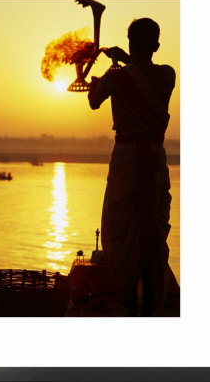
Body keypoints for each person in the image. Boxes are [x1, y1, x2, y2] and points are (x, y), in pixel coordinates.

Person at [88, 18, 177, 316]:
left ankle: (124, 305)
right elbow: (142, 73)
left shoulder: (116, 77)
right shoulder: (167, 75)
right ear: (157, 46)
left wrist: (98, 80)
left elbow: (93, 100)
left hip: (126, 162)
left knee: (121, 237)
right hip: (154, 159)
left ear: (128, 43)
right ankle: (150, 308)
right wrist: (125, 63)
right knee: (152, 234)